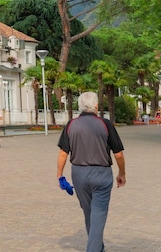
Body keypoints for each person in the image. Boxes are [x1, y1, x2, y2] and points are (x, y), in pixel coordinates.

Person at [57, 91, 127, 252]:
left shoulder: (71, 125)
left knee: (89, 212)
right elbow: (119, 154)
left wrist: (60, 175)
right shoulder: (105, 124)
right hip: (101, 174)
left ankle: (98, 247)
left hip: (79, 174)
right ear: (96, 106)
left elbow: (63, 153)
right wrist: (122, 173)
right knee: (98, 214)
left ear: (80, 106)